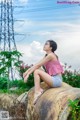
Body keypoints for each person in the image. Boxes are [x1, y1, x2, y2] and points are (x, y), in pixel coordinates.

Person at [23, 40, 63, 104]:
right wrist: (26, 72)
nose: (44, 45)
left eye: (46, 44)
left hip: (56, 80)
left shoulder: (51, 55)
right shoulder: (46, 55)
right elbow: (37, 64)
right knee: (37, 68)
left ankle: (37, 92)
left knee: (37, 71)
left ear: (51, 48)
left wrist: (28, 74)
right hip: (51, 78)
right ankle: (38, 89)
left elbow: (38, 65)